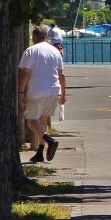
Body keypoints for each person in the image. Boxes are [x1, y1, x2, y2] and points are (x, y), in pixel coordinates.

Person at [18, 24, 66, 163]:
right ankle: (39, 152)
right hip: (53, 90)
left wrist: (21, 92)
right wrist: (63, 94)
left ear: (33, 37)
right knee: (43, 121)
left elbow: (25, 73)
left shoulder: (30, 51)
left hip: (37, 90)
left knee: (32, 122)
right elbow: (61, 74)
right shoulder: (55, 51)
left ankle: (49, 140)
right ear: (45, 37)